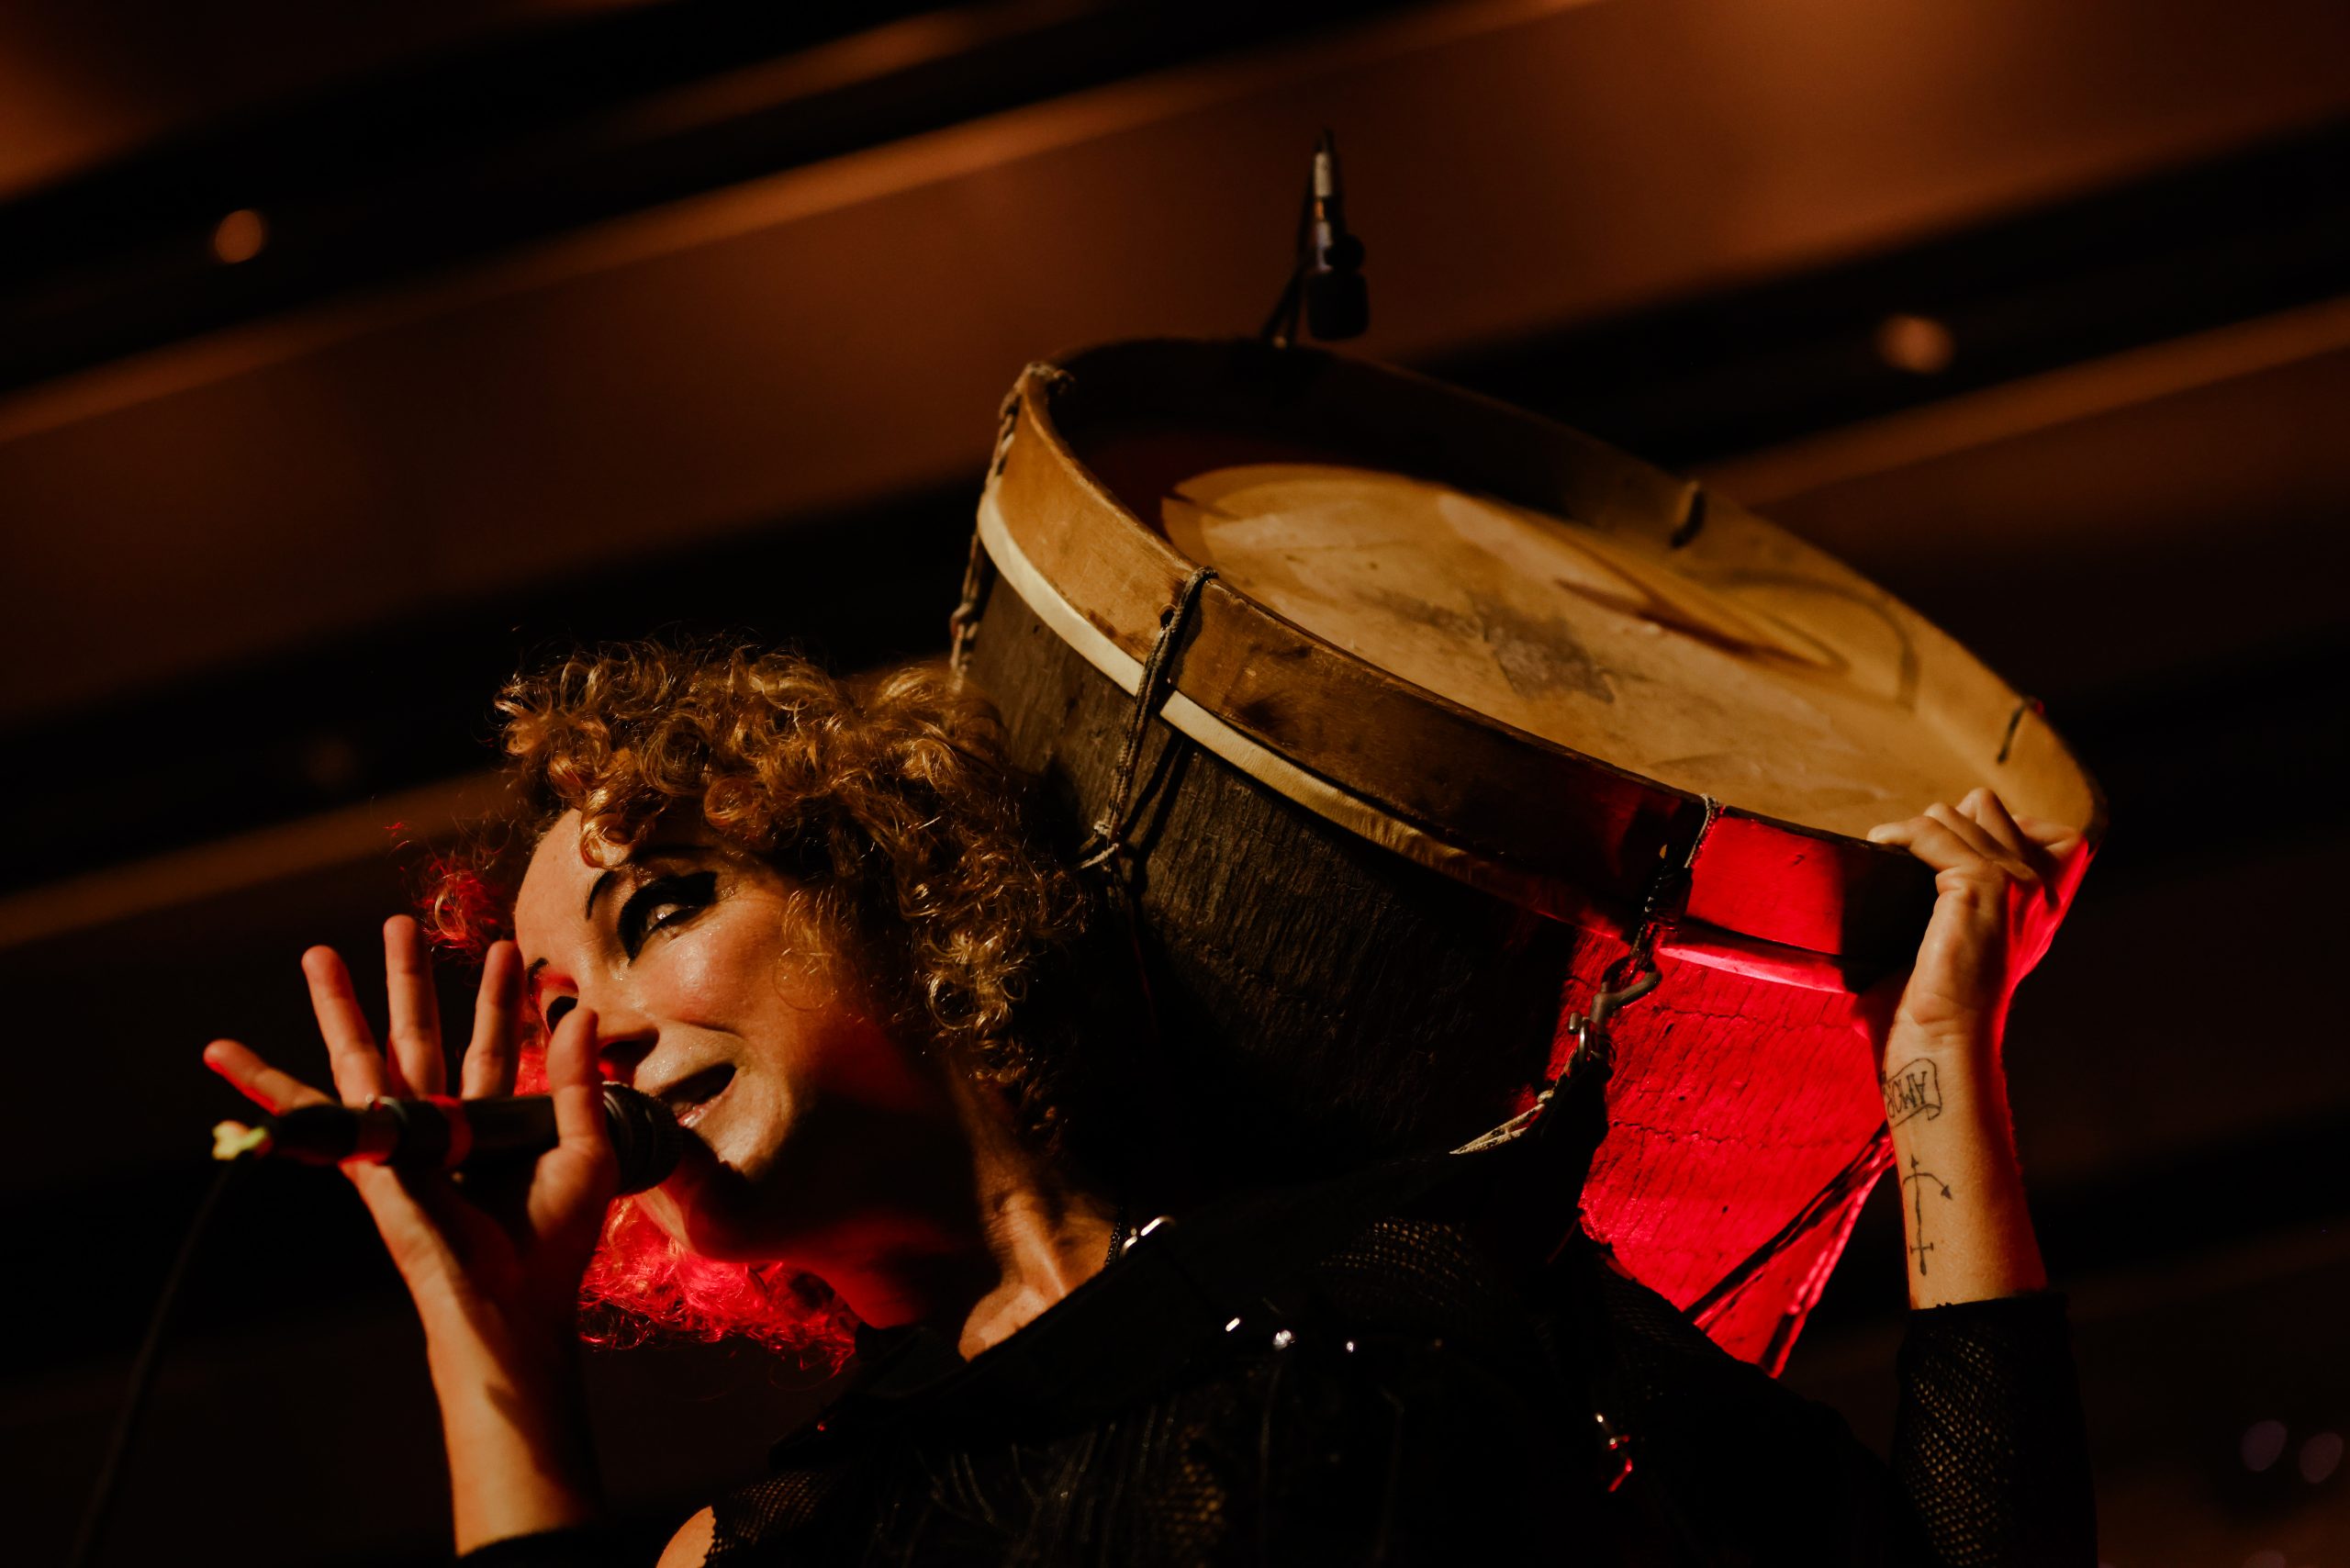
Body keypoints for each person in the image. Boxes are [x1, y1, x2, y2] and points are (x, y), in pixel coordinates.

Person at [206, 641, 2095, 1565]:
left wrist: (1935, 1072)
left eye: (658, 912)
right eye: (553, 1017)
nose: (596, 1041)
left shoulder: (1415, 1281)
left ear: (893, 881)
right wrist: (496, 1349)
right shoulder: (787, 1543)